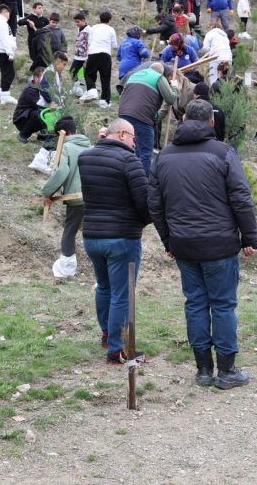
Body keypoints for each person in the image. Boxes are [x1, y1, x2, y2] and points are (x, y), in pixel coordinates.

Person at [148, 99, 257, 389]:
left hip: (184, 244)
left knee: (195, 304)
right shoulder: (222, 153)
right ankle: (226, 370)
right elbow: (241, 197)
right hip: (219, 243)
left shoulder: (164, 156)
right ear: (211, 122)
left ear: (184, 120)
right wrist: (249, 237)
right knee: (222, 305)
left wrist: (167, 239)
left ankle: (203, 370)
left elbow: (155, 204)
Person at [79, 118, 151, 364]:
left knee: (104, 287)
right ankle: (116, 350)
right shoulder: (130, 161)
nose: (134, 143)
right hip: (122, 237)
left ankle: (107, 335)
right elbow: (145, 202)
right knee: (122, 293)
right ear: (122, 135)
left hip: (91, 236)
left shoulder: (86, 157)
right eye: (133, 138)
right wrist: (144, 221)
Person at [41, 116, 89, 278]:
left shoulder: (67, 147)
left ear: (61, 134)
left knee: (70, 231)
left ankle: (67, 269)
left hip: (76, 198)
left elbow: (62, 172)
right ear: (75, 130)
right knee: (93, 231)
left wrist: (47, 193)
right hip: (94, 197)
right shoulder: (91, 147)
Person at [117, 62, 179, 173]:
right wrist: (174, 87)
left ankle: (126, 178)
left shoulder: (134, 75)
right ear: (161, 71)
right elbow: (170, 99)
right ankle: (143, 183)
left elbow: (123, 95)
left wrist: (155, 116)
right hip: (142, 118)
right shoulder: (158, 77)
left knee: (129, 149)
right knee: (145, 153)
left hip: (123, 115)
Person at [80, 11, 118, 108]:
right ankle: (104, 101)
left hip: (93, 53)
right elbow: (114, 45)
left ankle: (92, 90)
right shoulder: (111, 29)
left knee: (88, 74)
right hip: (105, 55)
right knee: (105, 78)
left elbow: (89, 41)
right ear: (109, 20)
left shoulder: (94, 27)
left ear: (100, 19)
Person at [0, 4, 17, 105]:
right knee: (9, 73)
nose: (9, 15)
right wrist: (10, 53)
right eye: (9, 13)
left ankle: (0, 93)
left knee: (5, 73)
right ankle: (5, 95)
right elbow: (5, 39)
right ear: (5, 12)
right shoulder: (2, 23)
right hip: (3, 50)